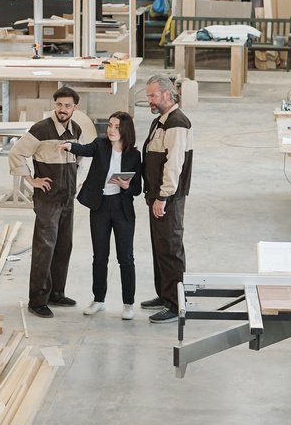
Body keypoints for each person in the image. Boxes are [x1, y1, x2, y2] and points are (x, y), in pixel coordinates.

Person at [6, 86, 94, 318]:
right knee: (45, 247)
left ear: (75, 107)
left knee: (64, 245)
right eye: (59, 105)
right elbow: (16, 153)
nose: (62, 110)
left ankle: (57, 292)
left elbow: (81, 153)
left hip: (67, 198)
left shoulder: (75, 128)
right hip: (48, 199)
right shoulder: (41, 129)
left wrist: (75, 172)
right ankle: (37, 300)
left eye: (67, 105)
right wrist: (31, 180)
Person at [63, 112, 143, 319]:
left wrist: (126, 185)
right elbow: (85, 149)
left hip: (122, 208)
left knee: (126, 257)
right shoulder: (100, 145)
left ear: (125, 130)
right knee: (99, 256)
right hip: (100, 206)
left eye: (116, 126)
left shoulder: (134, 155)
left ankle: (128, 304)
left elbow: (137, 189)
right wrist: (69, 146)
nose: (111, 130)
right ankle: (98, 300)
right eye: (109, 125)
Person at [139, 74, 194, 323]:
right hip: (156, 196)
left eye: (152, 95)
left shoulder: (177, 123)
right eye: (148, 95)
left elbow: (174, 164)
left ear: (166, 94)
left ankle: (175, 304)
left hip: (168, 198)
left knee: (170, 249)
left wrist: (162, 196)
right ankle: (164, 294)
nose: (149, 100)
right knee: (159, 247)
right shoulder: (160, 120)